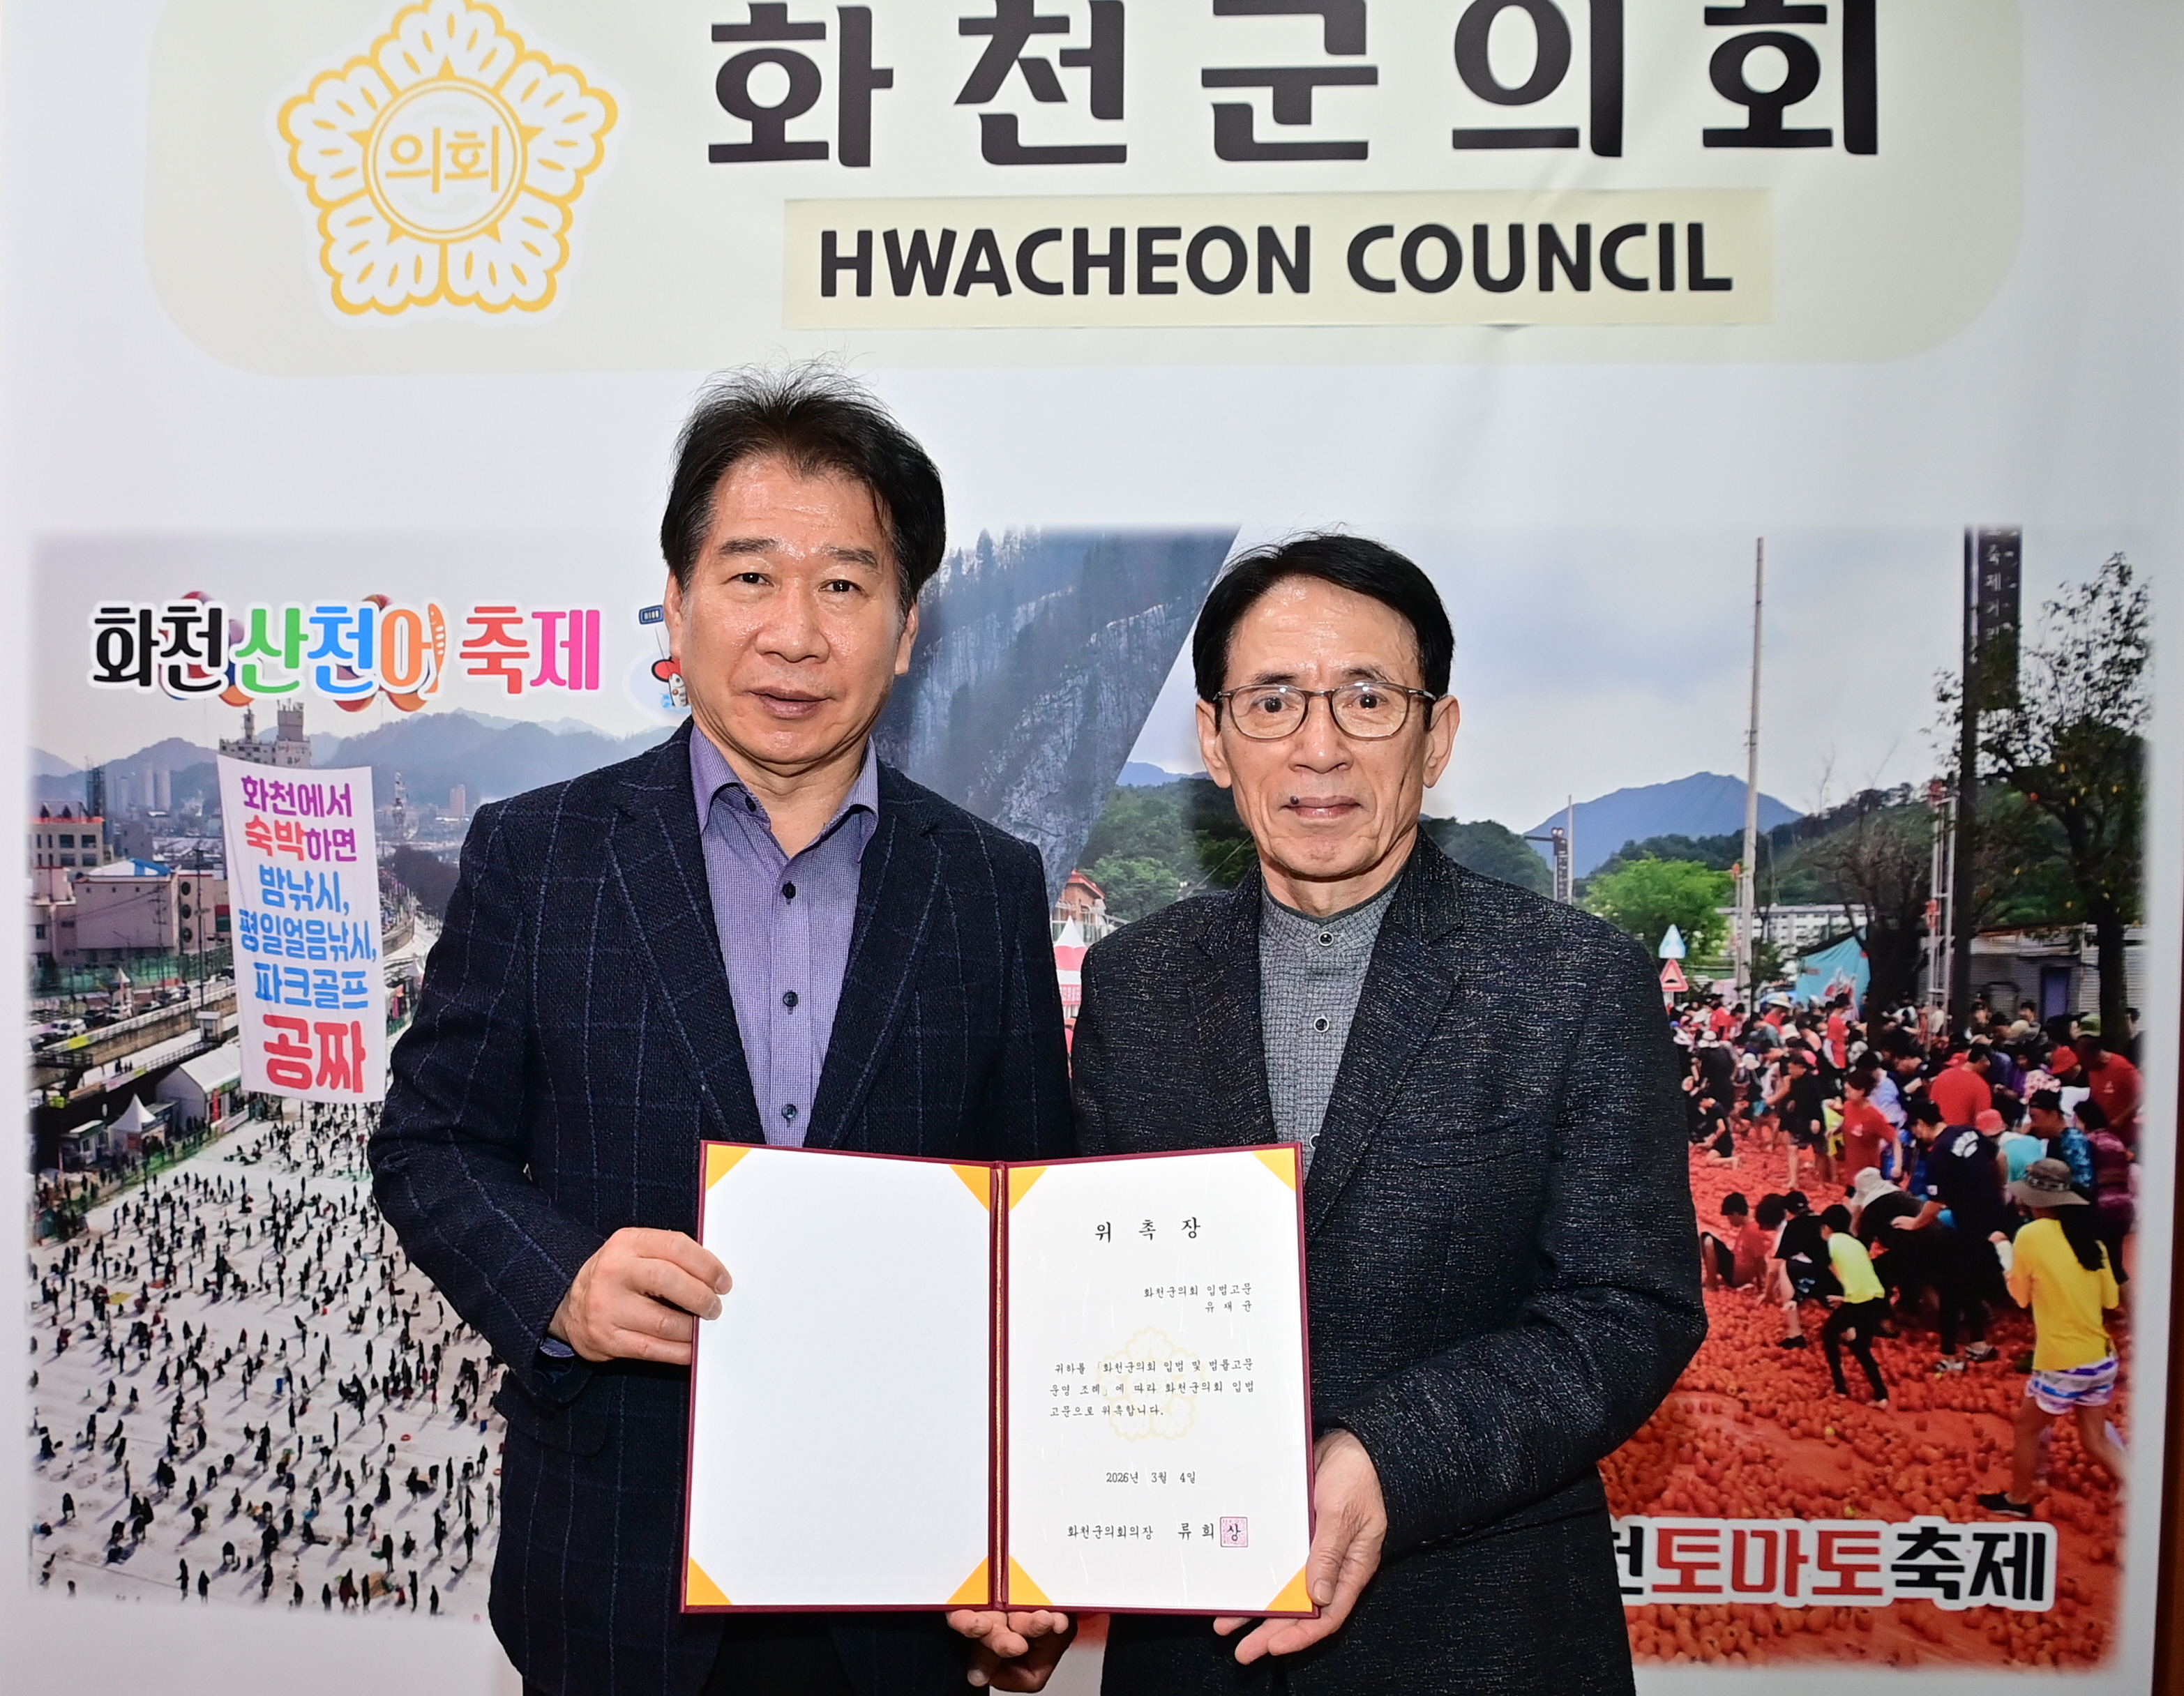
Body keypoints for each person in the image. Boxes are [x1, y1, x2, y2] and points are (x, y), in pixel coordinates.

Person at [370, 370, 1076, 1696]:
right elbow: (428, 1144)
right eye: (750, 576)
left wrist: (1027, 1547)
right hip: (617, 1572)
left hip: (899, 1583)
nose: (794, 634)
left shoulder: (986, 884)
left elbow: (1031, 1222)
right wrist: (562, 1282)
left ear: (907, 628)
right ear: (678, 603)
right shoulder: (540, 854)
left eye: (845, 584)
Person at [1069, 536, 1704, 1694]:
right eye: (1271, 701)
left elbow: (1629, 1306)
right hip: (1193, 1640)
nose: (1319, 746)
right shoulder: (1136, 981)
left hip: (1483, 1630)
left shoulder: (1571, 980)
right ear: (1214, 737)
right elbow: (1086, 1291)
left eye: (1366, 699)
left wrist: (1389, 1458)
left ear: (1436, 734)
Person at [1977, 1160, 2127, 1517]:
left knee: (2027, 1429)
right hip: (2101, 1358)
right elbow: (2111, 1301)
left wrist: (2004, 1250)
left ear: (2034, 1199)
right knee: (2095, 1439)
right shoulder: (2092, 1242)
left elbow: (2020, 1297)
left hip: (2062, 1361)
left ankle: (2018, 1500)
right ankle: (2142, 1490)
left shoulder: (2031, 1235)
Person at [1818, 1206, 1890, 1409]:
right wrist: (1845, 1298)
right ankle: (1881, 1395)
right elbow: (1858, 1274)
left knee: (1829, 1333)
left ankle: (1840, 1388)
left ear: (1827, 1227)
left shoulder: (1832, 1242)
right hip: (1877, 1298)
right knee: (1860, 1346)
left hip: (1859, 1302)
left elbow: (1824, 1269)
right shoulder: (1857, 1244)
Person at [2076, 1031, 2142, 1146]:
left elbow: (2143, 1095)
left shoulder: (2122, 1067)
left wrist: (2120, 1120)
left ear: (2093, 1055)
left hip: (2127, 1138)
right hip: (2105, 1136)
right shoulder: (2092, 1070)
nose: (2082, 1064)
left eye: (2084, 1060)